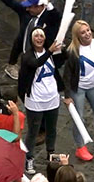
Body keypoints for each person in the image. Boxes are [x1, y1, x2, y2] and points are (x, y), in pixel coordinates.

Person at [62, 20, 94, 161]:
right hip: (78, 88)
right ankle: (80, 147)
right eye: (83, 32)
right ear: (77, 36)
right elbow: (67, 75)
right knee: (79, 118)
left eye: (88, 30)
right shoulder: (73, 51)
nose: (87, 34)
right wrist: (67, 96)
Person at [19, 27, 62, 174]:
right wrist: (50, 51)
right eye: (36, 35)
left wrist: (64, 48)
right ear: (31, 39)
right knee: (33, 131)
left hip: (52, 98)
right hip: (36, 100)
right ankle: (29, 158)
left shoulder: (52, 53)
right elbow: (35, 64)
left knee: (52, 129)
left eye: (41, 35)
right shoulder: (27, 56)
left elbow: (63, 59)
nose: (39, 38)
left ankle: (51, 154)